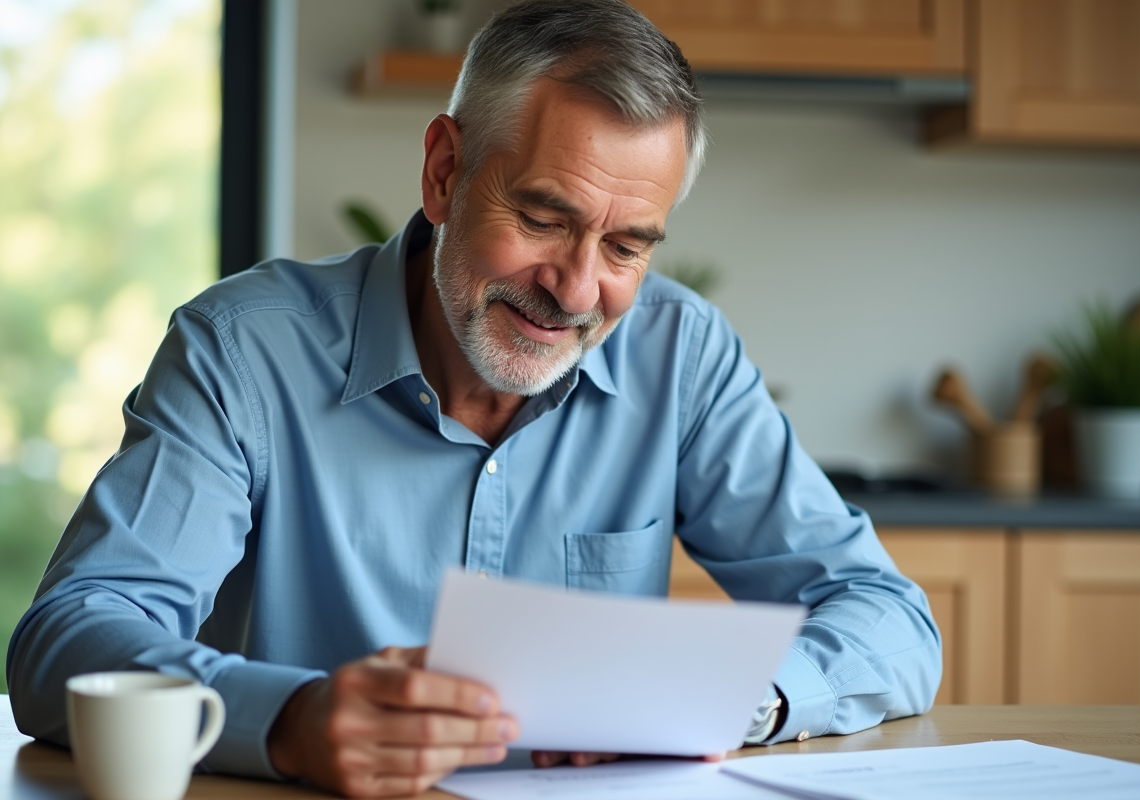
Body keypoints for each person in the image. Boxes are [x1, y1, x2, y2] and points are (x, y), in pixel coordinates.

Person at [7, 0, 941, 796]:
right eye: (542, 218)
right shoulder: (244, 352)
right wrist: (288, 720)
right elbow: (68, 639)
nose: (576, 290)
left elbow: (888, 618)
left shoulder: (681, 356)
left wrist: (739, 700)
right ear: (445, 172)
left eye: (626, 247)